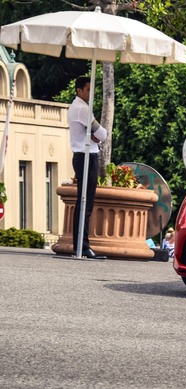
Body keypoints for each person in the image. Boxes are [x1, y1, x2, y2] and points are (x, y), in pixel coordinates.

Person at [69, 76, 108, 259]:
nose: (91, 94)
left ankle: (81, 245)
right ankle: (82, 246)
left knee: (83, 202)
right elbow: (103, 133)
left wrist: (95, 135)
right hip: (86, 157)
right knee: (86, 203)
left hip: (83, 156)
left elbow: (97, 135)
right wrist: (96, 135)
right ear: (79, 91)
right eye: (87, 90)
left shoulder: (76, 107)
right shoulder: (83, 109)